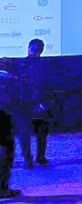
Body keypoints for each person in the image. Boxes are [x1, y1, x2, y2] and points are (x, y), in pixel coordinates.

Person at [16, 38, 51, 168]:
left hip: (24, 102)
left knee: (25, 132)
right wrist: (42, 102)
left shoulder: (21, 64)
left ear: (29, 48)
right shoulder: (46, 65)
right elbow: (46, 85)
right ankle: (40, 157)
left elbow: (20, 84)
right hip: (39, 103)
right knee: (41, 132)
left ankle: (28, 159)